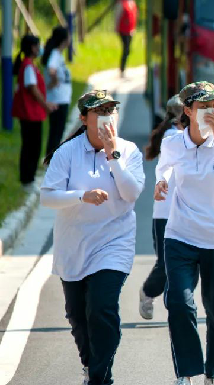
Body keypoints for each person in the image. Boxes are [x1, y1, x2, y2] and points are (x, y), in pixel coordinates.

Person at [40, 90, 145, 385]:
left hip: (114, 242)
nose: (107, 117)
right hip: (74, 244)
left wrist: (113, 155)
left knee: (101, 308)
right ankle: (91, 366)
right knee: (77, 315)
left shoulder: (129, 151)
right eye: (99, 112)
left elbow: (131, 193)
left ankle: (100, 378)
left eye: (111, 111)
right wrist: (81, 196)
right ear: (84, 119)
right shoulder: (67, 153)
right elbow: (48, 197)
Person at [154, 82, 214, 385]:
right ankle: (186, 372)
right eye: (204, 106)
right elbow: (164, 166)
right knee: (179, 303)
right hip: (180, 235)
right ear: (188, 111)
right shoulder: (173, 142)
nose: (212, 111)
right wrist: (161, 181)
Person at [139, 95, 185, 320]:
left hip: (187, 211)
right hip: (166, 212)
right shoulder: (172, 137)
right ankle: (148, 292)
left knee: (186, 263)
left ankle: (177, 304)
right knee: (166, 263)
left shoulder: (185, 135)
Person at [12, 34, 57, 190]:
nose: (40, 49)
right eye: (38, 46)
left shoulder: (29, 65)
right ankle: (27, 179)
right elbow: (33, 88)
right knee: (31, 146)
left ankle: (29, 178)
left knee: (32, 146)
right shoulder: (28, 67)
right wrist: (45, 105)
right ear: (32, 48)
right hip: (29, 113)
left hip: (32, 113)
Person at [42, 26, 72, 155]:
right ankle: (51, 158)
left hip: (60, 98)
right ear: (64, 40)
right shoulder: (55, 54)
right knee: (56, 132)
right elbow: (51, 70)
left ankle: (51, 157)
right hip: (58, 99)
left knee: (57, 131)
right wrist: (54, 82)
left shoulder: (57, 54)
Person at [114, 0, 140, 78]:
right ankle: (122, 69)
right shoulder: (122, 2)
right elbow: (117, 16)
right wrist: (116, 28)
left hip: (130, 30)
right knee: (126, 49)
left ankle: (123, 68)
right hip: (123, 30)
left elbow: (134, 16)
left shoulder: (132, 2)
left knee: (128, 50)